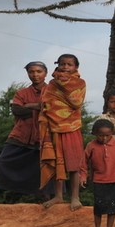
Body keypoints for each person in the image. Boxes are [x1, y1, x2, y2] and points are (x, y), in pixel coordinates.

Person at [0, 62, 50, 201]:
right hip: (20, 135)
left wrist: (28, 106)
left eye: (38, 71)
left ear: (45, 73)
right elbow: (17, 110)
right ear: (28, 74)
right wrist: (37, 106)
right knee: (2, 161)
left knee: (46, 167)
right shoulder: (22, 92)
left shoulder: (52, 92)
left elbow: (52, 110)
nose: (35, 75)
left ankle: (48, 200)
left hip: (44, 136)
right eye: (31, 72)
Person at [38, 54, 86, 211]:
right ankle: (58, 196)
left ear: (76, 67)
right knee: (56, 161)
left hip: (71, 127)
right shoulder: (51, 84)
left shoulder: (80, 83)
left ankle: (75, 197)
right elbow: (45, 102)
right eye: (62, 64)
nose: (65, 67)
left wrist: (62, 83)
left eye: (69, 64)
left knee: (73, 164)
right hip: (53, 127)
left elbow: (76, 101)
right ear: (57, 65)